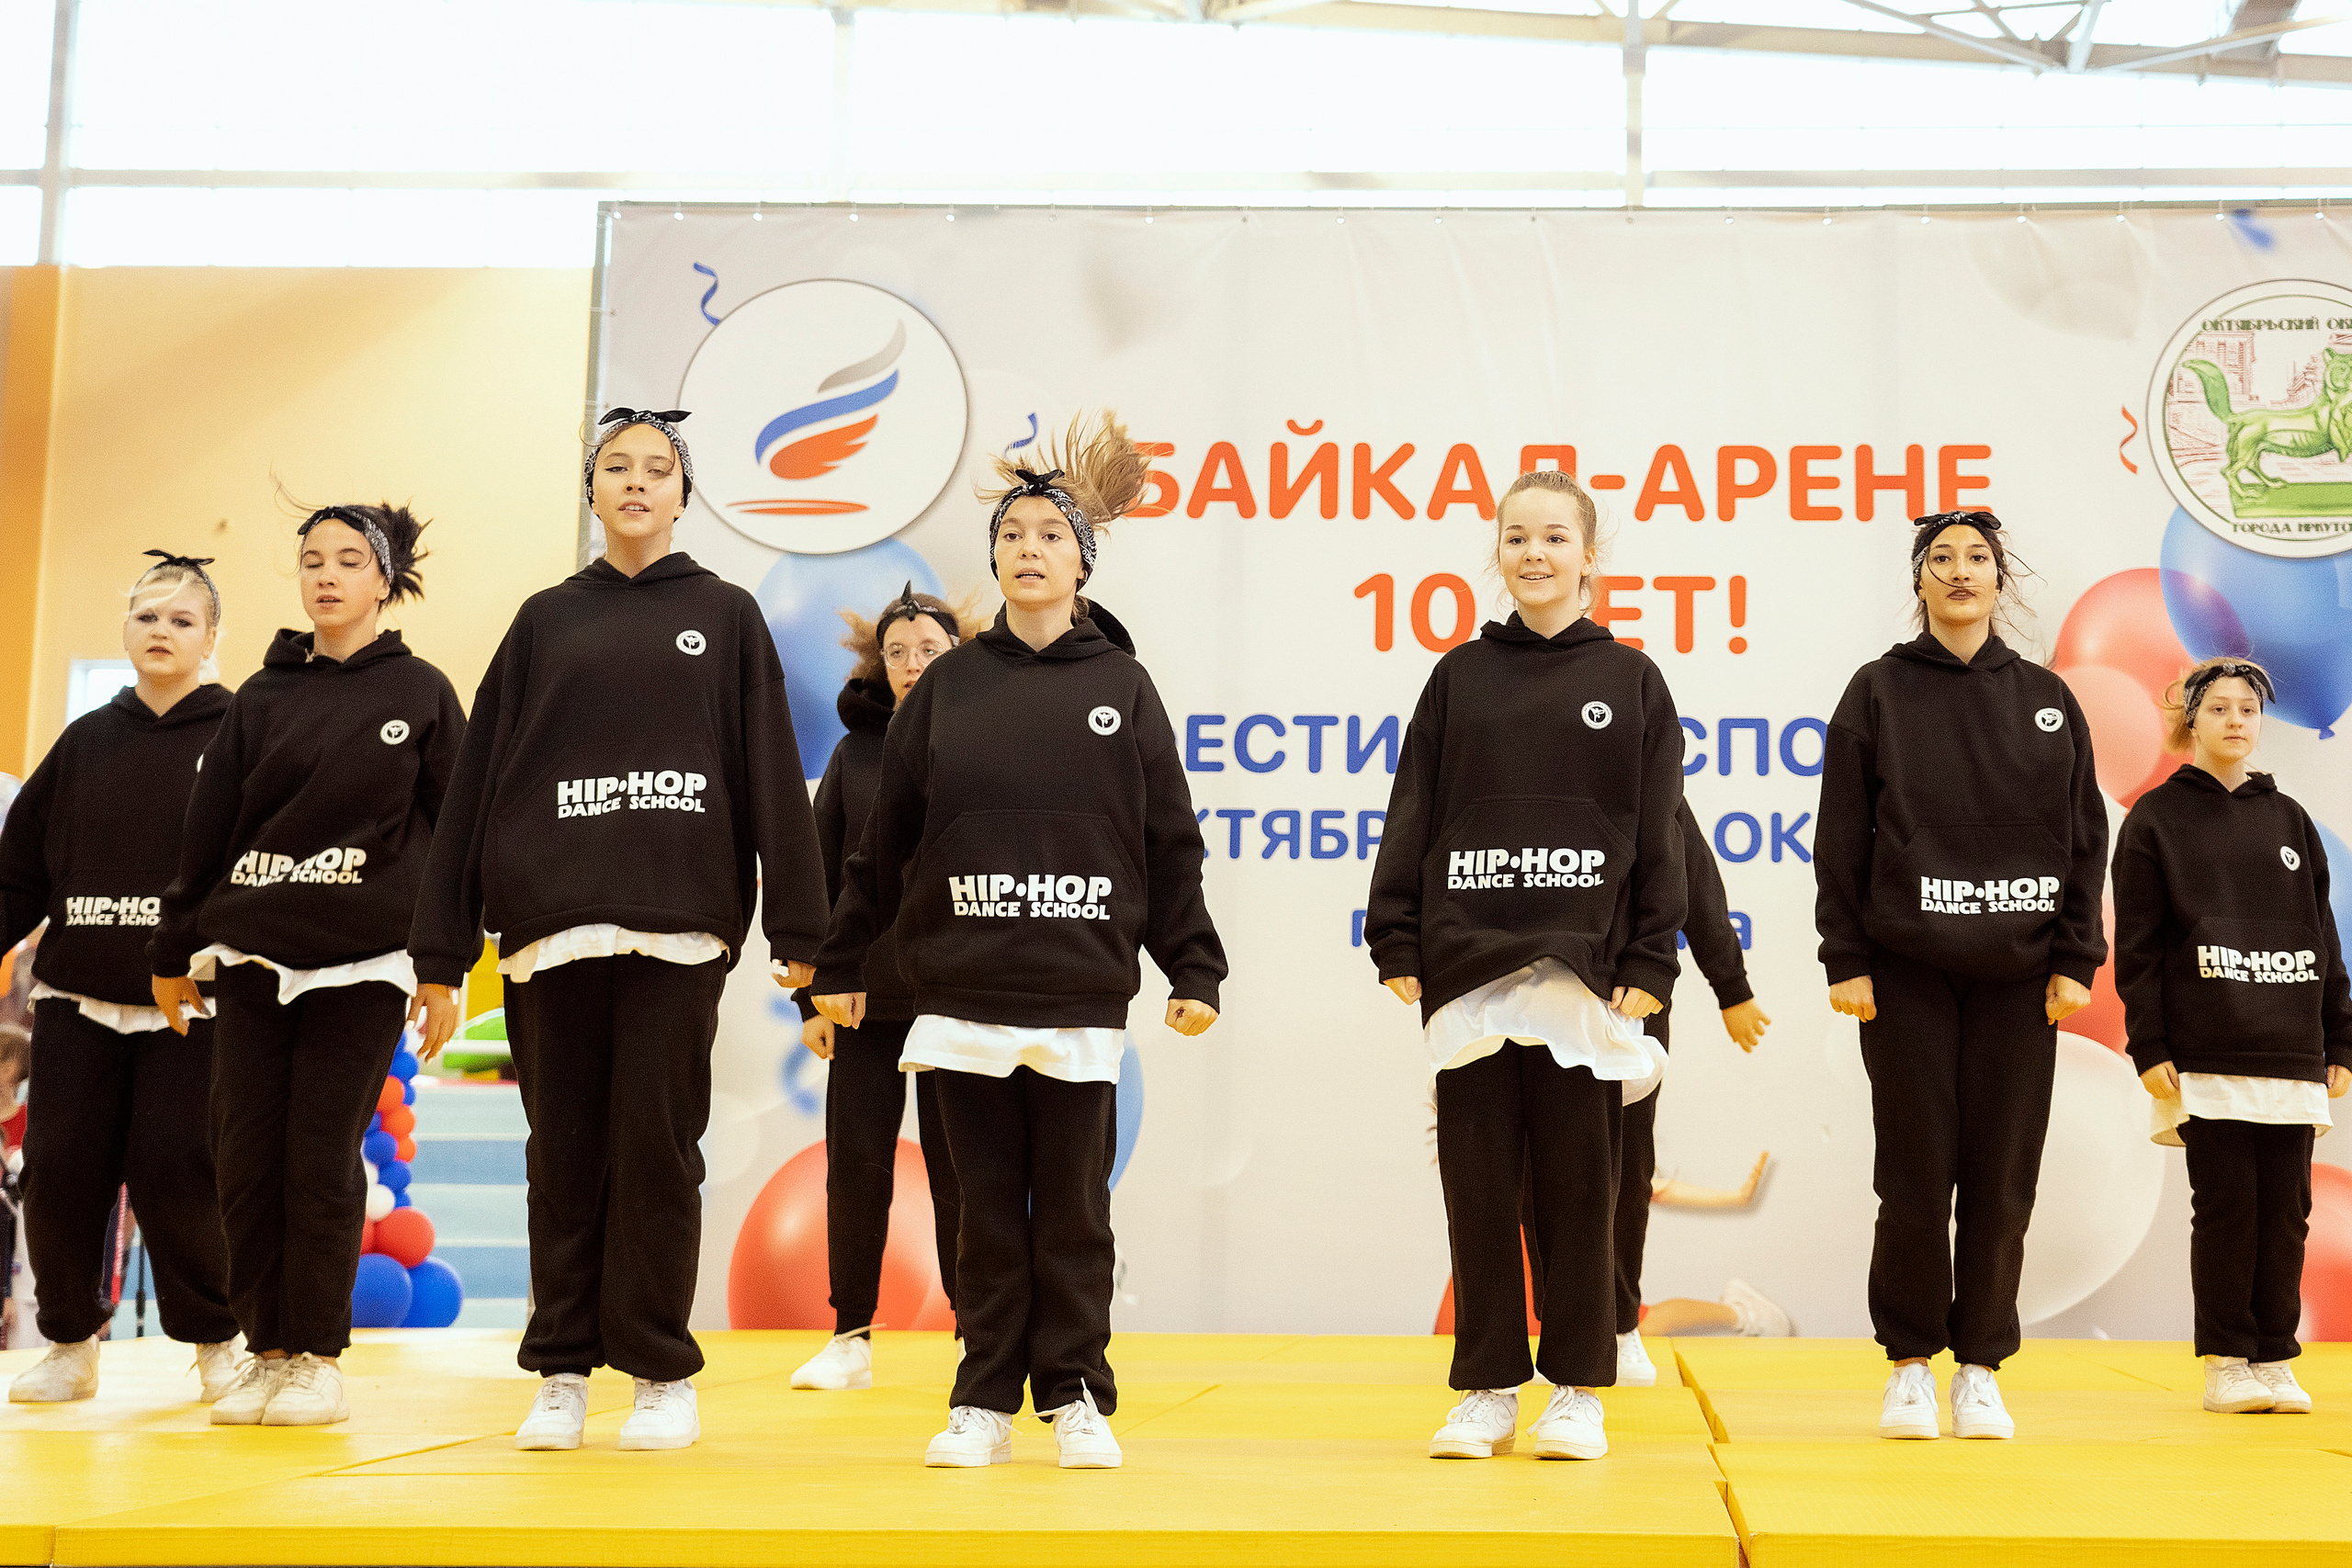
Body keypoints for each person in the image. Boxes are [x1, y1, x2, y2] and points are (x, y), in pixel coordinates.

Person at [408, 408, 829, 1454]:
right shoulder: (545, 620)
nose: (636, 483)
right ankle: (558, 1369)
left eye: (657, 469)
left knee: (654, 1150)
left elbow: (771, 770)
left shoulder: (726, 617)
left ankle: (655, 1371)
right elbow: (470, 795)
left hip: (677, 928)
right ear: (591, 491)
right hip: (549, 932)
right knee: (563, 1156)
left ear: (684, 494)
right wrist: (440, 953)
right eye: (616, 467)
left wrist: (805, 925)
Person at [811, 412, 1225, 1472]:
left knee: (1074, 1217)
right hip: (961, 996)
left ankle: (1077, 1395)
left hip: (1079, 996)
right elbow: (882, 849)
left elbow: (1167, 842)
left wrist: (1193, 965)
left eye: (1048, 534)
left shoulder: (1121, 687)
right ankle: (982, 1395)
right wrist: (842, 967)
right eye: (1010, 536)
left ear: (1083, 560)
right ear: (992, 559)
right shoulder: (947, 688)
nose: (1026, 549)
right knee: (982, 1215)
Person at [1366, 468, 1687, 1463]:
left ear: (1589, 556)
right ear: (1496, 554)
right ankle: (1488, 1387)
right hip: (1471, 976)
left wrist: (1649, 960)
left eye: (1554, 537)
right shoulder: (1459, 676)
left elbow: (1658, 835)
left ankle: (1578, 1387)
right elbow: (1413, 809)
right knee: (1478, 1188)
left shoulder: (1630, 680)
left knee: (1582, 1193)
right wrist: (1397, 935)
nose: (1534, 553)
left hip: (1584, 979)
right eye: (1516, 538)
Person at [151, 504, 461, 1429]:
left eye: (348, 562)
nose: (326, 576)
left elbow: (455, 839)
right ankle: (268, 1349)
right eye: (311, 561)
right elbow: (208, 830)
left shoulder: (424, 691)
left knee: (322, 1159)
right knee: (246, 1159)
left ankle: (318, 1357)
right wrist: (172, 949)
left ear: (384, 579)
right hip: (250, 955)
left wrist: (444, 966)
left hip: (364, 964)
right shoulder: (260, 696)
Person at [1815, 511, 2106, 1443]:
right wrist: (1847, 958)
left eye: (1976, 558)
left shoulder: (2048, 698)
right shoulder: (1877, 693)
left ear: (1999, 580)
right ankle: (1908, 1366)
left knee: (2000, 1178)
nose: (1958, 572)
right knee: (1913, 1175)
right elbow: (1839, 839)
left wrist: (2072, 959)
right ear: (1920, 582)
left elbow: (2082, 842)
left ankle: (1979, 1368)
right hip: (1902, 974)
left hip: (2020, 980)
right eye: (1940, 559)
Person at [1, 553, 241, 1404]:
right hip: (76, 1002)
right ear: (126, 632)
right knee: (60, 1167)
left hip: (191, 1005)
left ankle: (215, 1341)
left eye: (183, 620)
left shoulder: (238, 734)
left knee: (180, 1166)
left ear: (213, 637)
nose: (162, 632)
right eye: (148, 617)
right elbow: (20, 870)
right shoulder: (85, 741)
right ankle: (69, 1342)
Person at [2114, 656, 2350, 1416]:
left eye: (2247, 708)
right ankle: (2227, 1358)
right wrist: (2150, 1045)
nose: (2236, 721)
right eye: (2218, 708)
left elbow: (2323, 934)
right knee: (2228, 1206)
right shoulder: (2156, 819)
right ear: (2189, 719)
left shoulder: (2289, 821)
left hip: (2289, 1054)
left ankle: (2274, 1356)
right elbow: (2141, 947)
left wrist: (2340, 1039)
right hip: (2207, 1055)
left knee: (2287, 1210)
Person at [790, 584, 979, 1393]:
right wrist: (813, 998)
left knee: (960, 1168)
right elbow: (821, 872)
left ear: (955, 655)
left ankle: (981, 1332)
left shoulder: (981, 741)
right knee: (858, 1163)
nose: (910, 665)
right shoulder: (853, 756)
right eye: (896, 652)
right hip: (863, 998)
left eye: (927, 650)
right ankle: (850, 1334)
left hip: (951, 992)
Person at [1611, 798, 1770, 1387]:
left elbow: (1696, 885)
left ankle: (1621, 1326)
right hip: (1526, 996)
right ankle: (1550, 1333)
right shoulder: (1504, 766)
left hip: (1631, 997)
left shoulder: (1649, 778)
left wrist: (1732, 989)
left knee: (1628, 1172)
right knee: (1529, 1173)